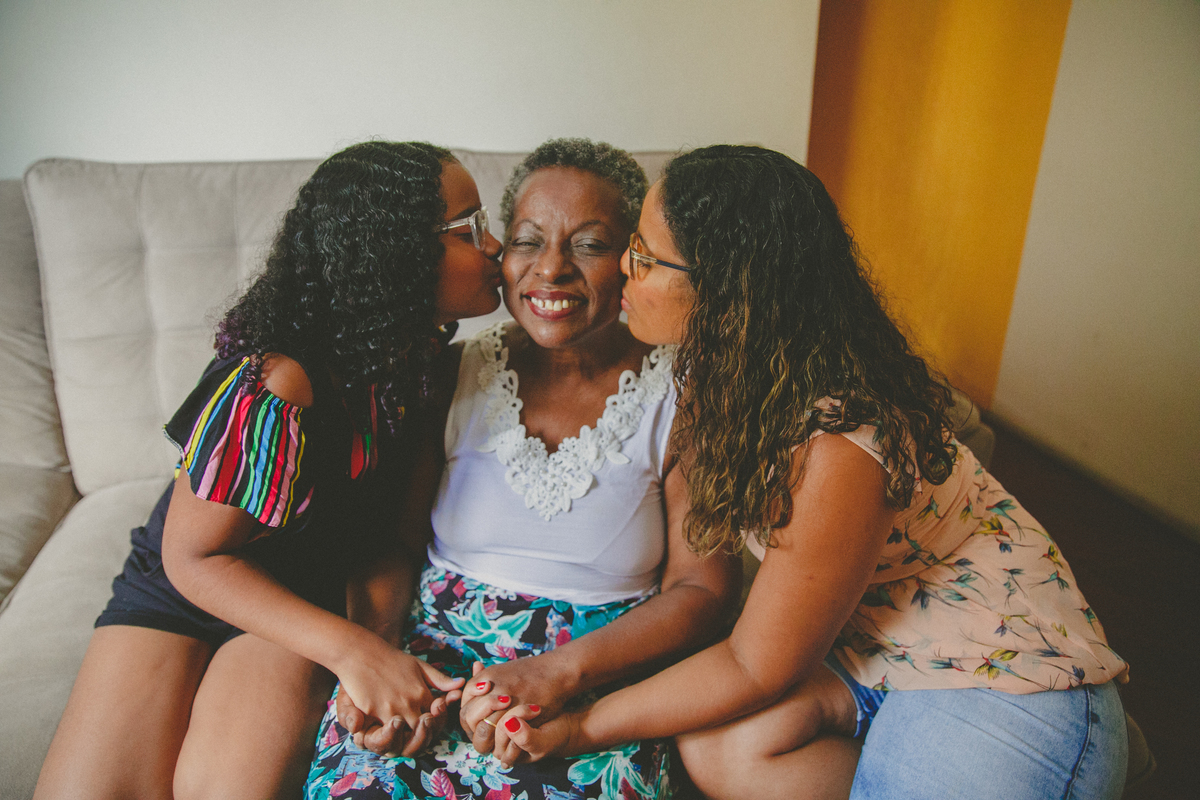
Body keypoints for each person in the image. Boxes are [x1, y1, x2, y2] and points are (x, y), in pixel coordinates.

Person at [495, 145, 1131, 800]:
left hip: (996, 674)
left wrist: (581, 728)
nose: (623, 267)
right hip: (870, 652)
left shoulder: (843, 440)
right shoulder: (726, 373)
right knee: (715, 747)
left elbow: (753, 664)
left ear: (728, 293)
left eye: (646, 257)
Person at [34, 141, 506, 800]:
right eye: (469, 228)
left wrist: (374, 651)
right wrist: (354, 653)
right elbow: (194, 556)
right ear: (396, 252)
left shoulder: (424, 363)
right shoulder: (279, 381)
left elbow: (387, 540)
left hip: (304, 603)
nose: (496, 246)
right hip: (186, 587)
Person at [304, 138, 740, 800]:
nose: (552, 268)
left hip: (594, 682)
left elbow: (703, 590)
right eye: (528, 241)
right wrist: (378, 662)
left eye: (590, 245)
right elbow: (394, 544)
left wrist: (560, 674)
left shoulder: (685, 396)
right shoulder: (453, 371)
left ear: (632, 260)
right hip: (435, 669)